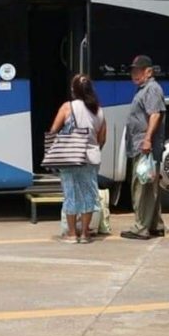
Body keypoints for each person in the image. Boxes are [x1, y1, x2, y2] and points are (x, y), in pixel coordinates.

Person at [48, 74, 106, 244]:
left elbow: (53, 130)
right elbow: (102, 138)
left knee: (70, 194)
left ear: (74, 90)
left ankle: (72, 234)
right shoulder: (99, 110)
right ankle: (85, 234)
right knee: (89, 194)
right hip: (91, 158)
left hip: (71, 157)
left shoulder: (67, 107)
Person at [120, 55, 166, 240]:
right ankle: (154, 225)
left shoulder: (152, 89)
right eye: (133, 70)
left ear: (149, 71)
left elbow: (155, 115)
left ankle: (141, 227)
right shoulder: (144, 89)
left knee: (142, 187)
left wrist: (147, 139)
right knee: (148, 186)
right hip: (142, 145)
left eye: (138, 70)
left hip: (145, 146)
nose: (134, 74)